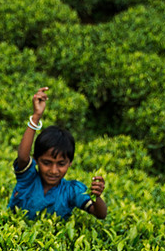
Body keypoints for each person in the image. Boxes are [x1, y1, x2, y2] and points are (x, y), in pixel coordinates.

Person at [8, 87, 107, 220]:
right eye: (47, 163)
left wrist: (97, 196)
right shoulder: (28, 179)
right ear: (36, 159)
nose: (54, 171)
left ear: (70, 163)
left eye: (61, 164)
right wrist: (36, 116)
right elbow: (22, 156)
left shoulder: (72, 191)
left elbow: (100, 214)